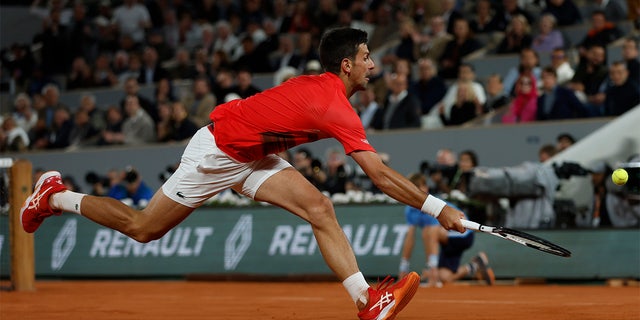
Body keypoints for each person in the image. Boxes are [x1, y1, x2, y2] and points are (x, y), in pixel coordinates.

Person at [20, 27, 467, 320]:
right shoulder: (333, 105)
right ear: (346, 65)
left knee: (319, 206)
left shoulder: (325, 90)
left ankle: (366, 301)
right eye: (367, 57)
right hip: (216, 152)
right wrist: (437, 207)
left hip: (253, 153)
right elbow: (380, 177)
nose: (375, 65)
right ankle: (55, 196)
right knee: (142, 229)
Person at [398, 173, 495, 287]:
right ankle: (475, 265)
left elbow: (432, 234)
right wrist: (403, 267)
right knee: (444, 277)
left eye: (419, 187)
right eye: (412, 188)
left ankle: (431, 268)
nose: (415, 191)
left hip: (463, 235)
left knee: (428, 231)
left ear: (426, 188)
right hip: (447, 240)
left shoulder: (430, 205)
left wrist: (432, 268)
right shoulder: (409, 210)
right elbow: (410, 238)